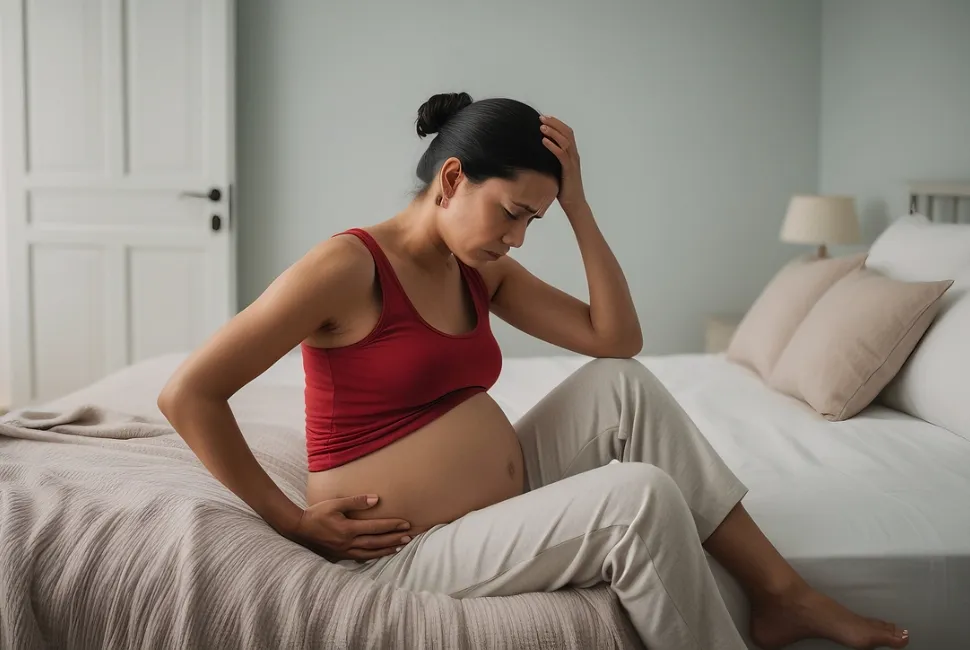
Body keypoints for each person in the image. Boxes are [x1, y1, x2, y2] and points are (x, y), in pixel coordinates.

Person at [157, 92, 909, 650]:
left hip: (484, 514)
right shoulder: (345, 268)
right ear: (451, 180)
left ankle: (782, 593)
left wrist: (576, 204)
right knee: (638, 498)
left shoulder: (477, 269)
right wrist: (291, 521)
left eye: (532, 222)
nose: (518, 238)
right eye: (512, 212)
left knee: (625, 390)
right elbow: (190, 392)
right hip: (398, 549)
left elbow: (617, 341)